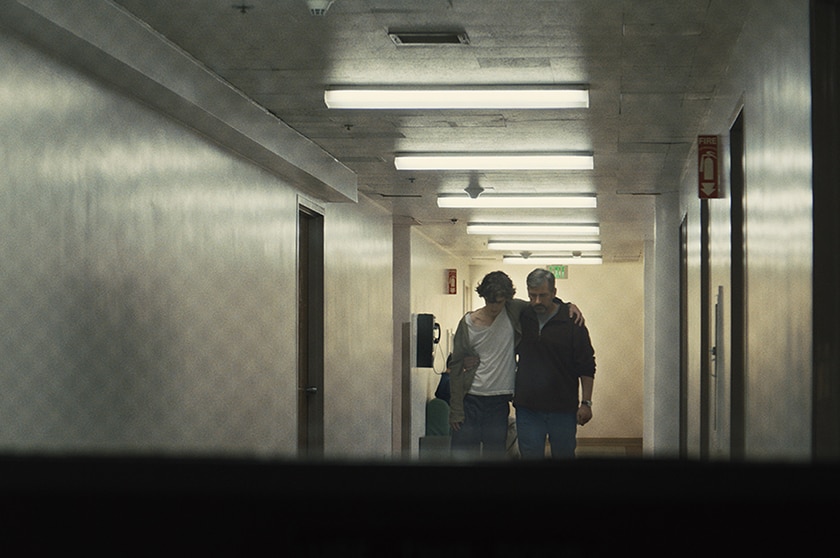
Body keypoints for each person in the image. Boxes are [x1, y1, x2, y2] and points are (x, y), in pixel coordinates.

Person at [448, 271, 583, 459]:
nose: (494, 307)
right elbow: (455, 366)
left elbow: (541, 303)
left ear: (507, 299)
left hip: (499, 400)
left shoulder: (513, 310)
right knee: (461, 455)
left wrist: (567, 305)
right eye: (490, 301)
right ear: (483, 297)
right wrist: (456, 410)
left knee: (494, 454)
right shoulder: (468, 323)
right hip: (470, 398)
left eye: (500, 302)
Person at [513, 268, 596, 459]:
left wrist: (586, 403)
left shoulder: (572, 321)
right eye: (532, 296)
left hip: (563, 409)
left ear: (554, 293)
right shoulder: (523, 316)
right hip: (528, 408)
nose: (537, 301)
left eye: (543, 295)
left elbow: (586, 365)